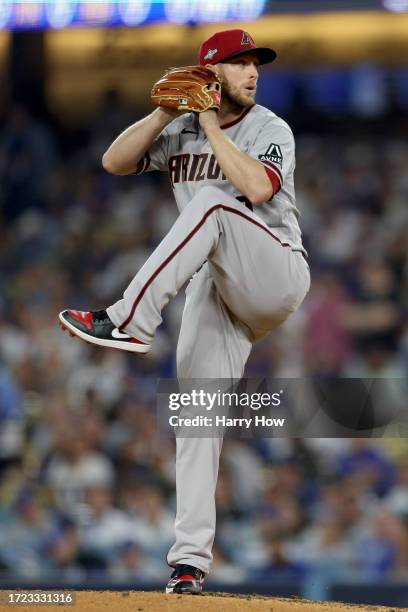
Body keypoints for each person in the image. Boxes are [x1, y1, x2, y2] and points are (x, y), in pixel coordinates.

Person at [59, 28, 310, 593]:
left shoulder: (271, 127)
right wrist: (162, 114)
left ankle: (128, 319)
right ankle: (189, 563)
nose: (253, 73)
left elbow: (256, 188)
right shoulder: (180, 128)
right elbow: (114, 161)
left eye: (256, 65)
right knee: (197, 416)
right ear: (211, 74)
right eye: (241, 64)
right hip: (219, 288)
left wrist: (213, 129)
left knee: (216, 201)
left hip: (274, 271)